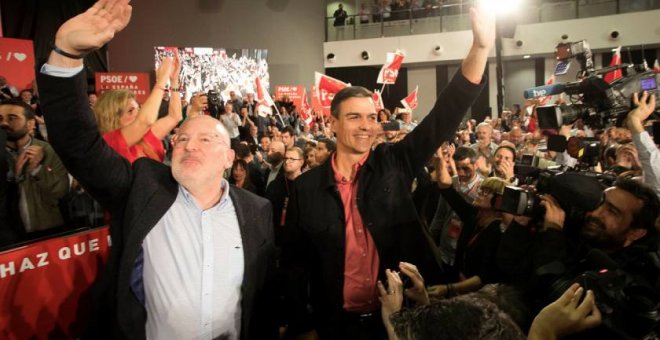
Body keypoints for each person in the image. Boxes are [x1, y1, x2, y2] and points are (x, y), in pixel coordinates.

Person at [37, 1, 277, 338]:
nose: (189, 145)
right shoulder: (141, 188)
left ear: (229, 158)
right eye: (181, 139)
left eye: (206, 139)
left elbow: (259, 296)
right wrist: (66, 55)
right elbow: (78, 145)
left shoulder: (257, 210)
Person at [282, 6, 495, 339]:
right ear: (333, 123)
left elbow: (445, 114)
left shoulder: (394, 162)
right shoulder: (306, 187)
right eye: (355, 117)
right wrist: (302, 325)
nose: (367, 126)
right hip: (335, 325)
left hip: (399, 320)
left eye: (371, 117)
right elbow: (295, 263)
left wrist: (480, 48)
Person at [94, 55, 182, 163]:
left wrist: (174, 79)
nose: (138, 113)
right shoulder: (108, 143)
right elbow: (145, 121)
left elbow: (175, 117)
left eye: (138, 108)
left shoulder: (147, 136)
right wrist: (161, 81)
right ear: (111, 117)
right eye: (130, 111)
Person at [1, 99, 69, 235]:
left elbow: (61, 191)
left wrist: (37, 170)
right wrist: (13, 178)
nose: (3, 123)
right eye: (0, 118)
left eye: (12, 118)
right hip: (6, 235)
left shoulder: (48, 150)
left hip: (46, 229)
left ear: (30, 123)